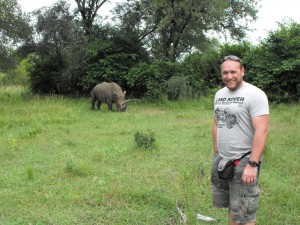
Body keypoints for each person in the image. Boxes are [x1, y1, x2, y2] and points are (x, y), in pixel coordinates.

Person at [211, 55, 269, 225]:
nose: (229, 76)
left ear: (242, 71)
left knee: (244, 213)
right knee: (232, 205)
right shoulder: (219, 94)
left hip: (244, 160)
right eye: (225, 73)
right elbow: (216, 123)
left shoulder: (255, 94)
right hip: (223, 159)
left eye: (233, 72)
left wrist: (252, 164)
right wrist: (217, 152)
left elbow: (262, 130)